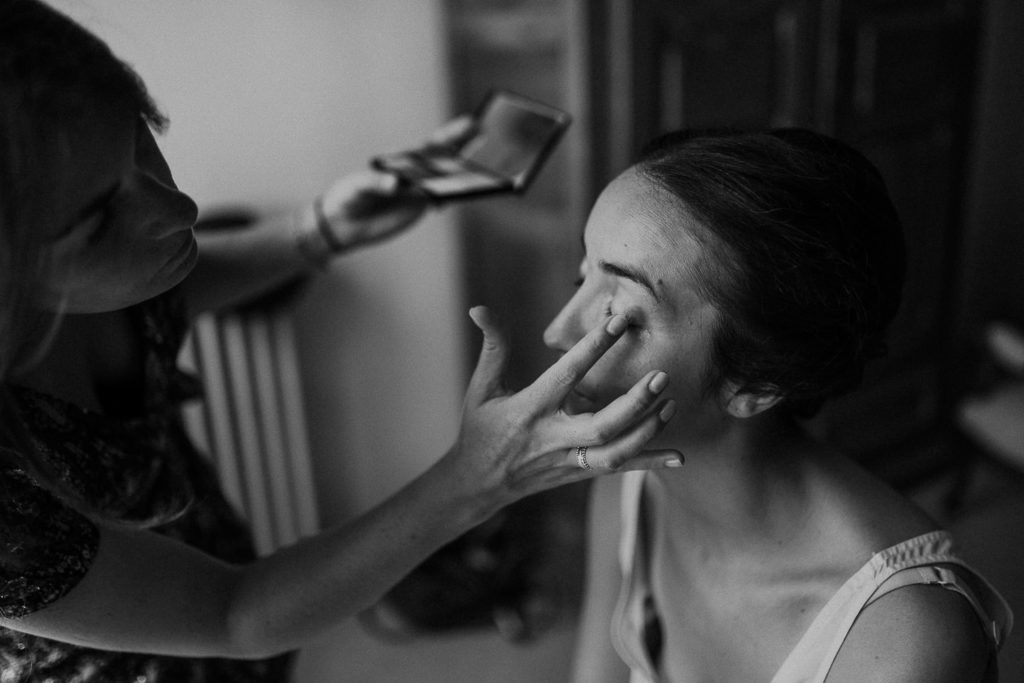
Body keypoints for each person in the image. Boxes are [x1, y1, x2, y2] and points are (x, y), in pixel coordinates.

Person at [0, 2, 686, 681]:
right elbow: (232, 613)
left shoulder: (105, 272)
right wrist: (474, 477)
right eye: (98, 223)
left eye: (140, 141)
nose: (176, 209)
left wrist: (319, 228)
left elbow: (167, 288)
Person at [554, 128, 1013, 683]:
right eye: (583, 273)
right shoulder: (627, 478)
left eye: (617, 313)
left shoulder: (901, 642)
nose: (557, 331)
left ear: (754, 383)